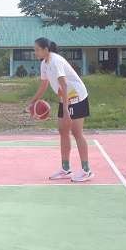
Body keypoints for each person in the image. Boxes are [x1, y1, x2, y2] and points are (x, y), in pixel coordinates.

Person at [27, 37, 93, 182]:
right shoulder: (44, 63)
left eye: (37, 49)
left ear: (46, 49)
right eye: (35, 50)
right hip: (66, 97)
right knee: (63, 131)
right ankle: (65, 168)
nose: (35, 52)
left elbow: (63, 84)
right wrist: (32, 103)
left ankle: (86, 170)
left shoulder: (56, 61)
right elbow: (43, 85)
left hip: (76, 96)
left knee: (77, 133)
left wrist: (66, 109)